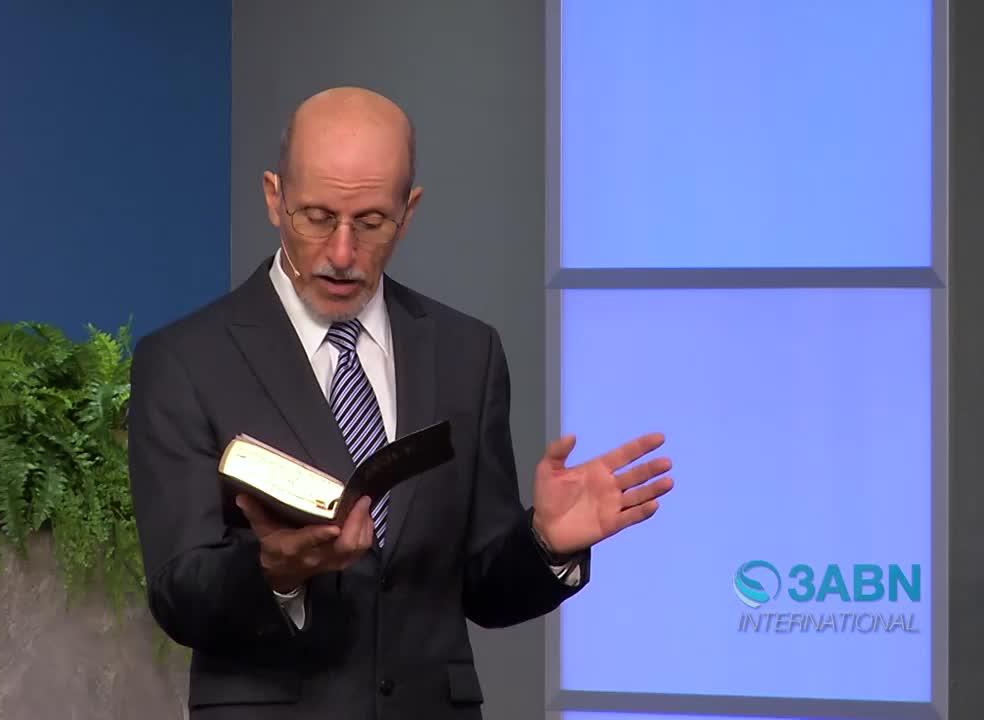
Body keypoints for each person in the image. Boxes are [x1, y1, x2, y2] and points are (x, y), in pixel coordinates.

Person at [126, 86, 674, 720]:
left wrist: (544, 543)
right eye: (316, 216)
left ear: (408, 212)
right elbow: (177, 595)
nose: (340, 252)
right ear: (274, 198)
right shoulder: (186, 359)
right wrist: (275, 571)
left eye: (370, 222)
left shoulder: (468, 352)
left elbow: (485, 591)